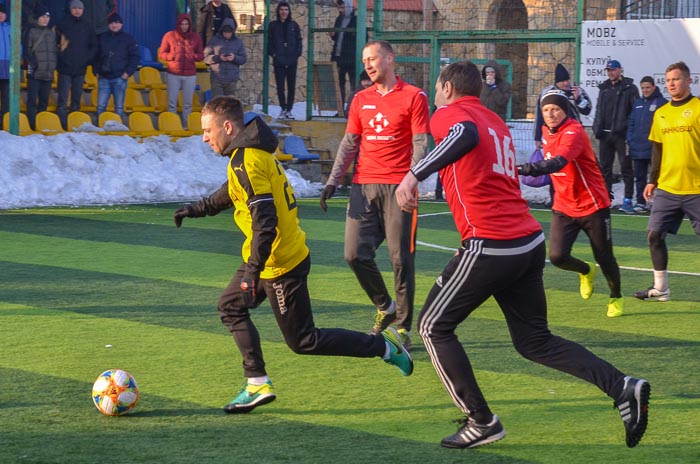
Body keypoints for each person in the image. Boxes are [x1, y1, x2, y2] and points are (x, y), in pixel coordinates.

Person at [394, 60, 650, 450]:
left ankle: (481, 422)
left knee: (432, 327)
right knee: (534, 342)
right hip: (527, 240)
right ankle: (622, 386)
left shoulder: (451, 114)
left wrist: (414, 173)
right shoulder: (495, 121)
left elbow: (461, 134)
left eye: (437, 86)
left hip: (491, 242)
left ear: (446, 87)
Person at [171, 96, 413, 414]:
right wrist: (196, 209)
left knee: (304, 341)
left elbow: (265, 223)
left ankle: (384, 347)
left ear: (227, 127)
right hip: (270, 258)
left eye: (207, 130)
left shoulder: (247, 161)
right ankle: (257, 382)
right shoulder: (247, 156)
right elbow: (230, 191)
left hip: (280, 263)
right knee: (230, 307)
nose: (205, 138)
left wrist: (252, 272)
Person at [319, 40, 430, 349]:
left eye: (373, 58)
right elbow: (349, 143)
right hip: (363, 186)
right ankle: (386, 306)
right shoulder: (360, 99)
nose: (367, 64)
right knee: (354, 254)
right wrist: (332, 180)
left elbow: (421, 143)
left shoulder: (414, 97)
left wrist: (412, 178)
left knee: (399, 259)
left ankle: (403, 328)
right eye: (364, 59)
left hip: (399, 188)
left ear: (390, 59)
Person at [518, 89, 625, 317]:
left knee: (604, 256)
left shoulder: (574, 131)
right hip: (564, 206)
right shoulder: (547, 132)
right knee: (557, 257)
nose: (550, 114)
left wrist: (527, 168)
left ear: (565, 110)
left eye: (555, 109)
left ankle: (615, 297)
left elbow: (558, 163)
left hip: (592, 205)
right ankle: (586, 271)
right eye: (546, 110)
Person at [634, 61, 700, 302]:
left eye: (676, 79)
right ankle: (660, 288)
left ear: (688, 80)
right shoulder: (661, 113)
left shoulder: (698, 108)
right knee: (654, 235)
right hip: (668, 188)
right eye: (668, 80)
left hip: (696, 189)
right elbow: (657, 150)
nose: (672, 83)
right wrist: (653, 181)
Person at [592, 59, 639, 212]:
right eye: (608, 70)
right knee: (605, 168)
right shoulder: (604, 88)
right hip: (605, 135)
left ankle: (627, 200)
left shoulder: (630, 88)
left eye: (613, 70)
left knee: (626, 168)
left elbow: (635, 113)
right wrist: (596, 128)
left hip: (621, 135)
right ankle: (606, 198)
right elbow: (599, 110)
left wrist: (629, 132)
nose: (611, 73)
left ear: (620, 70)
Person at [626, 76, 667, 214]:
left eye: (648, 87)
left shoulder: (662, 103)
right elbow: (631, 122)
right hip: (637, 148)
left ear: (654, 87)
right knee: (640, 177)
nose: (645, 90)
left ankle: (660, 202)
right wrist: (630, 139)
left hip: (653, 149)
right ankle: (641, 202)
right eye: (643, 88)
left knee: (658, 177)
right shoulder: (637, 103)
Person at [159, 13, 204, 128]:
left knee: (188, 103)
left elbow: (201, 55)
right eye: (182, 24)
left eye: (186, 24)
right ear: (178, 24)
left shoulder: (195, 38)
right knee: (172, 102)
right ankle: (171, 124)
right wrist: (171, 56)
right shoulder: (169, 36)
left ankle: (185, 125)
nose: (184, 26)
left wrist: (193, 56)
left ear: (190, 25)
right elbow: (162, 53)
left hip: (190, 74)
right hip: (173, 73)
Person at [533, 63, 592, 150]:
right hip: (554, 134)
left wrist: (578, 99)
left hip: (573, 132)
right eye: (563, 81)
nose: (566, 83)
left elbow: (587, 111)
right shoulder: (547, 93)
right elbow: (539, 116)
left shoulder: (577, 90)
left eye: (567, 80)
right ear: (557, 82)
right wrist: (537, 137)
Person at [94, 13, 139, 120]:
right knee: (100, 106)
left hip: (120, 78)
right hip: (104, 78)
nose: (114, 25)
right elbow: (95, 55)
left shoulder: (128, 38)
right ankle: (99, 128)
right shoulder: (102, 37)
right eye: (112, 23)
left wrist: (127, 73)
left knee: (119, 108)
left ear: (121, 24)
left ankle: (118, 129)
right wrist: (96, 70)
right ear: (108, 25)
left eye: (117, 23)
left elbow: (135, 57)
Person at [22, 7, 57, 130]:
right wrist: (34, 64)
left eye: (47, 17)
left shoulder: (51, 33)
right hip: (35, 73)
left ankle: (41, 125)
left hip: (48, 73)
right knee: (32, 101)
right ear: (37, 18)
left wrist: (53, 66)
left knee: (44, 102)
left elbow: (53, 52)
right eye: (43, 17)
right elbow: (26, 51)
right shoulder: (30, 31)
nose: (45, 19)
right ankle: (31, 125)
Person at [268, 1, 302, 120]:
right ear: (278, 11)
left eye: (286, 10)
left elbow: (299, 40)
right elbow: (269, 42)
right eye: (281, 9)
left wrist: (297, 53)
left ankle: (289, 109)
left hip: (292, 61)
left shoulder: (294, 25)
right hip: (279, 61)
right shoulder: (273, 25)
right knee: (280, 86)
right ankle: (283, 108)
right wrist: (274, 54)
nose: (284, 12)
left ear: (289, 11)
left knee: (291, 86)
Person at [203, 17, 246, 98]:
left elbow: (243, 59)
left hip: (232, 79)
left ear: (232, 32)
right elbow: (205, 57)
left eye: (229, 33)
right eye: (225, 32)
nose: (227, 35)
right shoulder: (214, 40)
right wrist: (218, 58)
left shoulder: (238, 42)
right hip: (217, 78)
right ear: (222, 31)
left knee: (230, 105)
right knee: (217, 103)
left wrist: (234, 58)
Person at [329, 0, 358, 111]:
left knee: (353, 86)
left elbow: (362, 38)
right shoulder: (339, 19)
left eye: (342, 8)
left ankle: (352, 110)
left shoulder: (356, 21)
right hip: (338, 58)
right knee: (338, 85)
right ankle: (340, 110)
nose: (340, 10)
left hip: (351, 59)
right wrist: (333, 36)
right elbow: (338, 39)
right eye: (339, 8)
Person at [0, 3, 9, 129]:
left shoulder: (10, 28)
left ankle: (4, 123)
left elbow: (19, 47)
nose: (1, 15)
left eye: (3, 12)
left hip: (8, 69)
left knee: (7, 99)